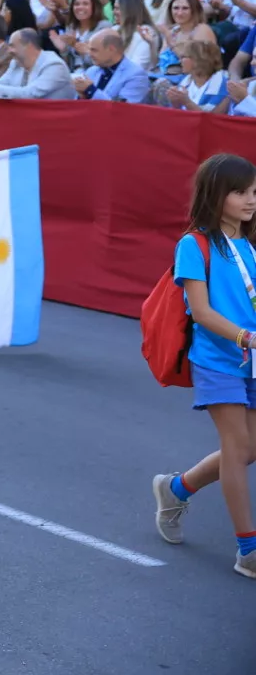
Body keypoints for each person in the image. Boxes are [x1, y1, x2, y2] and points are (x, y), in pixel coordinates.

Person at [150, 154, 256, 578]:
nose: (251, 200)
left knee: (250, 449)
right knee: (236, 447)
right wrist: (245, 338)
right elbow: (202, 312)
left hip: (252, 360)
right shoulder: (193, 245)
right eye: (240, 192)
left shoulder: (250, 243)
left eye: (254, 192)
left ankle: (176, 488)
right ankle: (248, 549)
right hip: (218, 359)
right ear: (216, 195)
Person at [0, 28, 78, 100]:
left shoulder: (55, 65)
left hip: (55, 120)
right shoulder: (15, 63)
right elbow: (0, 84)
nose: (9, 51)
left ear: (28, 45)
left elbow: (30, 94)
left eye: (12, 46)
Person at [71, 29, 150, 104]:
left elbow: (124, 110)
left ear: (111, 49)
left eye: (94, 50)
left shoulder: (136, 75)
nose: (90, 54)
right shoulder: (91, 71)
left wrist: (91, 90)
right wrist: (82, 96)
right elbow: (78, 107)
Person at [162, 40, 232, 113]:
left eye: (183, 57)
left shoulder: (222, 86)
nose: (180, 61)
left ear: (197, 59)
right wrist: (175, 103)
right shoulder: (185, 81)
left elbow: (210, 120)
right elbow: (178, 115)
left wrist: (187, 102)